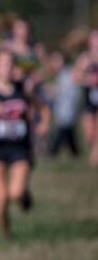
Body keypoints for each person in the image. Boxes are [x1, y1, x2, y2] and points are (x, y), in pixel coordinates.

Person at [0, 49, 50, 240]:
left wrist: (43, 124)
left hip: (20, 148)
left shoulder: (23, 89)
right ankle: (7, 234)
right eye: (3, 64)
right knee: (1, 199)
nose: (7, 68)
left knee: (15, 193)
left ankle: (24, 194)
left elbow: (43, 108)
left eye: (10, 64)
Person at [46, 49, 81, 157]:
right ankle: (75, 152)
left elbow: (70, 90)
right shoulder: (60, 74)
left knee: (64, 130)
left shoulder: (68, 73)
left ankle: (53, 151)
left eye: (57, 60)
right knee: (68, 132)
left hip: (67, 107)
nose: (55, 63)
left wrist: (55, 91)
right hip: (62, 107)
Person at [73, 29, 98, 167]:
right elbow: (75, 76)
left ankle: (95, 157)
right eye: (95, 39)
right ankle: (93, 148)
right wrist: (87, 79)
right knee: (90, 133)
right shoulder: (85, 58)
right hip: (89, 97)